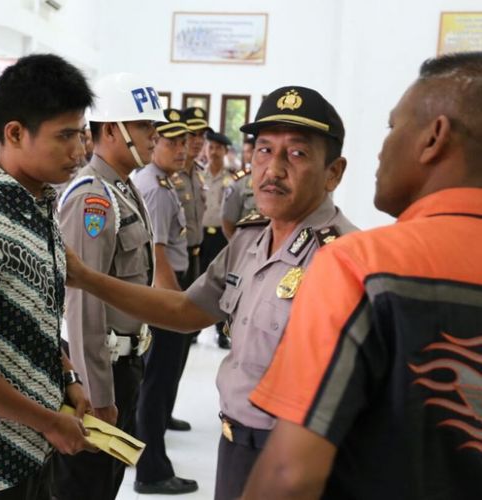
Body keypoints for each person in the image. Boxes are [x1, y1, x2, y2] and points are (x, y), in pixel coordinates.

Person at [65, 86, 357, 499]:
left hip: (295, 459)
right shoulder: (250, 240)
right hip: (235, 442)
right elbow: (187, 309)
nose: (272, 169)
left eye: (296, 154)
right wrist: (88, 278)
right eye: (263, 150)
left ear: (334, 172)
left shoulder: (345, 258)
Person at [243, 52, 482, 500]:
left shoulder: (363, 265)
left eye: (393, 128)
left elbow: (290, 475)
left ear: (434, 138)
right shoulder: (257, 236)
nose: (381, 148)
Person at [0, 53, 97, 500]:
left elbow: (34, 317)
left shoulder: (40, 205)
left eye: (81, 134)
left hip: (37, 443)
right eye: (64, 136)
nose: (79, 151)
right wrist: (50, 421)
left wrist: (67, 375)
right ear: (14, 132)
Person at [52, 72, 162, 500]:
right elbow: (81, 301)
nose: (154, 136)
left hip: (127, 363)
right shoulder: (92, 197)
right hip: (102, 369)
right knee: (85, 485)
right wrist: (97, 391)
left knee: (106, 483)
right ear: (112, 129)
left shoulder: (123, 189)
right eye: (143, 126)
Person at [131, 108, 199, 495]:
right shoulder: (155, 188)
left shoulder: (162, 181)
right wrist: (174, 304)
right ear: (154, 144)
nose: (180, 149)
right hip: (164, 296)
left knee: (154, 384)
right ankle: (152, 471)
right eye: (170, 142)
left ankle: (151, 464)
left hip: (166, 292)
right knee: (155, 386)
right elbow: (158, 253)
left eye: (181, 142)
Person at [164, 106, 210, 430]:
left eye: (199, 136)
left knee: (183, 345)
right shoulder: (170, 177)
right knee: (165, 349)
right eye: (190, 136)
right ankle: (152, 415)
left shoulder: (198, 173)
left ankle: (165, 410)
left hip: (193, 257)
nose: (195, 142)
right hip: (172, 264)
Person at [200, 131, 234, 349]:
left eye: (218, 148)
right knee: (197, 280)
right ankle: (192, 330)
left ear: (225, 151)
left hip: (221, 237)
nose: (213, 152)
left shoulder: (232, 178)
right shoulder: (198, 175)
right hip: (201, 236)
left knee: (221, 284)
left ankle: (221, 332)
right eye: (210, 147)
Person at [221, 134, 258, 239]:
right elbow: (227, 221)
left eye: (248, 151)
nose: (245, 155)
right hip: (246, 244)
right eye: (244, 152)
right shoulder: (240, 180)